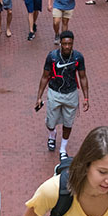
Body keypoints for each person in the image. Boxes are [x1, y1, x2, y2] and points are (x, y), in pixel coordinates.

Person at [35, 30, 89, 160]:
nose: (67, 47)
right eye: (64, 44)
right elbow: (44, 76)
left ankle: (63, 149)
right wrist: (39, 97)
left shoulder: (78, 58)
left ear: (73, 43)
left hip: (71, 94)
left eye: (70, 44)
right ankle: (52, 134)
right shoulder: (52, 57)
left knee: (68, 123)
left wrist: (86, 97)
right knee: (50, 122)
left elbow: (83, 77)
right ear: (60, 43)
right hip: (54, 93)